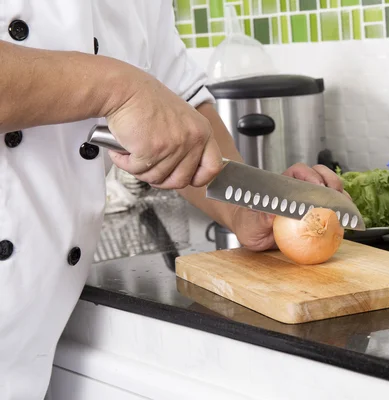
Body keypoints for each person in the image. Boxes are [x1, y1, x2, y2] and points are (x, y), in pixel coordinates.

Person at [0, 1, 344, 399]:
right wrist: (117, 87)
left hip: (27, 355)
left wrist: (242, 209)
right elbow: (135, 95)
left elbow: (181, 112)